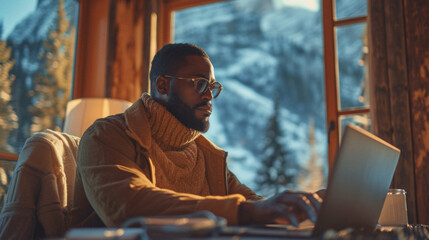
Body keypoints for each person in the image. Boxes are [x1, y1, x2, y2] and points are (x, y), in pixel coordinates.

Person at [70, 43, 323, 228]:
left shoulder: (205, 153)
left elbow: (249, 203)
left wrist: (295, 209)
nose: (209, 95)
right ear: (162, 86)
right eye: (200, 83)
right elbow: (129, 205)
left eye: (212, 87)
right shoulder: (106, 136)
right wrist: (249, 211)